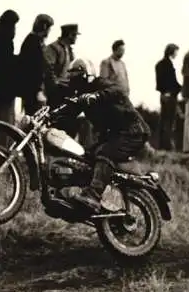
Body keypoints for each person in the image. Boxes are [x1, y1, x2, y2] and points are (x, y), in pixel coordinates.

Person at [51, 58, 150, 214]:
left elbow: (117, 90)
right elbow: (69, 111)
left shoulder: (102, 84)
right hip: (114, 135)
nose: (74, 84)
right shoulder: (83, 96)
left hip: (132, 131)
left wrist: (97, 96)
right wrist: (51, 115)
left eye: (77, 78)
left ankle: (93, 196)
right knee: (85, 156)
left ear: (86, 76)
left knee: (105, 153)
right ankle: (77, 195)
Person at [44, 24, 81, 138]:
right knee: (56, 123)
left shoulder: (69, 50)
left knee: (69, 123)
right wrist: (56, 82)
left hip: (67, 92)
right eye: (75, 35)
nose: (76, 38)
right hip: (55, 93)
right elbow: (47, 69)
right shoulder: (53, 48)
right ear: (70, 35)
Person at [17, 13, 54, 115]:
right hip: (33, 90)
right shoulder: (33, 42)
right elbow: (35, 69)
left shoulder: (32, 40)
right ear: (44, 27)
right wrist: (38, 90)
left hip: (32, 89)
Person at [155, 43, 182, 151]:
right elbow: (170, 82)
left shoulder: (161, 64)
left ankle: (163, 145)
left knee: (165, 121)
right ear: (172, 51)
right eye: (176, 51)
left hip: (165, 95)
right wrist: (180, 89)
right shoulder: (167, 64)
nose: (177, 54)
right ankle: (167, 146)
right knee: (169, 122)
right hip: (169, 95)